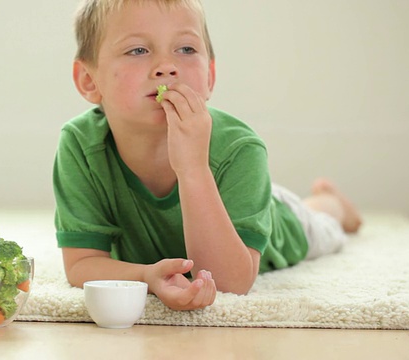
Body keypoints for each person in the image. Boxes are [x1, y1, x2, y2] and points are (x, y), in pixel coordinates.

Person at [53, 0, 362, 311]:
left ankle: (333, 203)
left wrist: (193, 168)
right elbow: (82, 263)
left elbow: (230, 283)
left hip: (279, 220)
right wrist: (145, 276)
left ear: (210, 76)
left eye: (186, 49)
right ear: (89, 80)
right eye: (138, 50)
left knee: (319, 224)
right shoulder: (81, 146)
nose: (167, 66)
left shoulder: (240, 148)